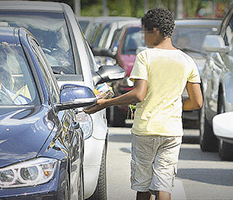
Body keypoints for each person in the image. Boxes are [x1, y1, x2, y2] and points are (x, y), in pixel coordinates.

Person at [84, 8, 202, 200]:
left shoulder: (145, 57)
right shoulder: (187, 60)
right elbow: (197, 102)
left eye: (144, 31)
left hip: (146, 130)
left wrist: (105, 103)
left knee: (143, 186)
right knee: (163, 186)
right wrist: (175, 107)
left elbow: (138, 95)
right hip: (171, 131)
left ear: (154, 31)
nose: (143, 36)